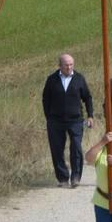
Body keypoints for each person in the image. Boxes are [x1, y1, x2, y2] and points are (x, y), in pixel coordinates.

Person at [40, 53, 94, 188]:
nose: (69, 67)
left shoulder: (79, 79)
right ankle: (62, 177)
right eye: (66, 65)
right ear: (60, 66)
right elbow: (45, 99)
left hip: (75, 120)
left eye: (71, 65)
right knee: (57, 149)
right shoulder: (52, 80)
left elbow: (87, 98)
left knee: (76, 147)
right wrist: (49, 117)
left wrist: (90, 115)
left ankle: (75, 177)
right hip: (55, 121)